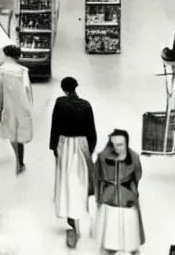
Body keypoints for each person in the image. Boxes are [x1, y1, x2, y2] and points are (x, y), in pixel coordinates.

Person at [49, 77, 97, 248]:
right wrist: (89, 149)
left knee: (66, 182)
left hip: (65, 144)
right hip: (82, 144)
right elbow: (92, 132)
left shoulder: (60, 103)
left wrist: (54, 146)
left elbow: (55, 126)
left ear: (63, 89)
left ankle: (73, 222)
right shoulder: (86, 105)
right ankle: (76, 218)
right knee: (79, 181)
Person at [95, 129, 145, 255]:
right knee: (110, 231)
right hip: (109, 199)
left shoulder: (133, 157)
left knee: (130, 231)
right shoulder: (103, 157)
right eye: (114, 145)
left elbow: (137, 174)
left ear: (126, 143)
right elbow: (97, 175)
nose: (117, 148)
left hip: (127, 199)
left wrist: (130, 189)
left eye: (120, 144)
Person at [0, 45, 33, 175]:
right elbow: (28, 92)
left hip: (6, 106)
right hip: (21, 107)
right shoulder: (23, 71)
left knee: (10, 133)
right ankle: (20, 162)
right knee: (19, 135)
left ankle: (17, 161)